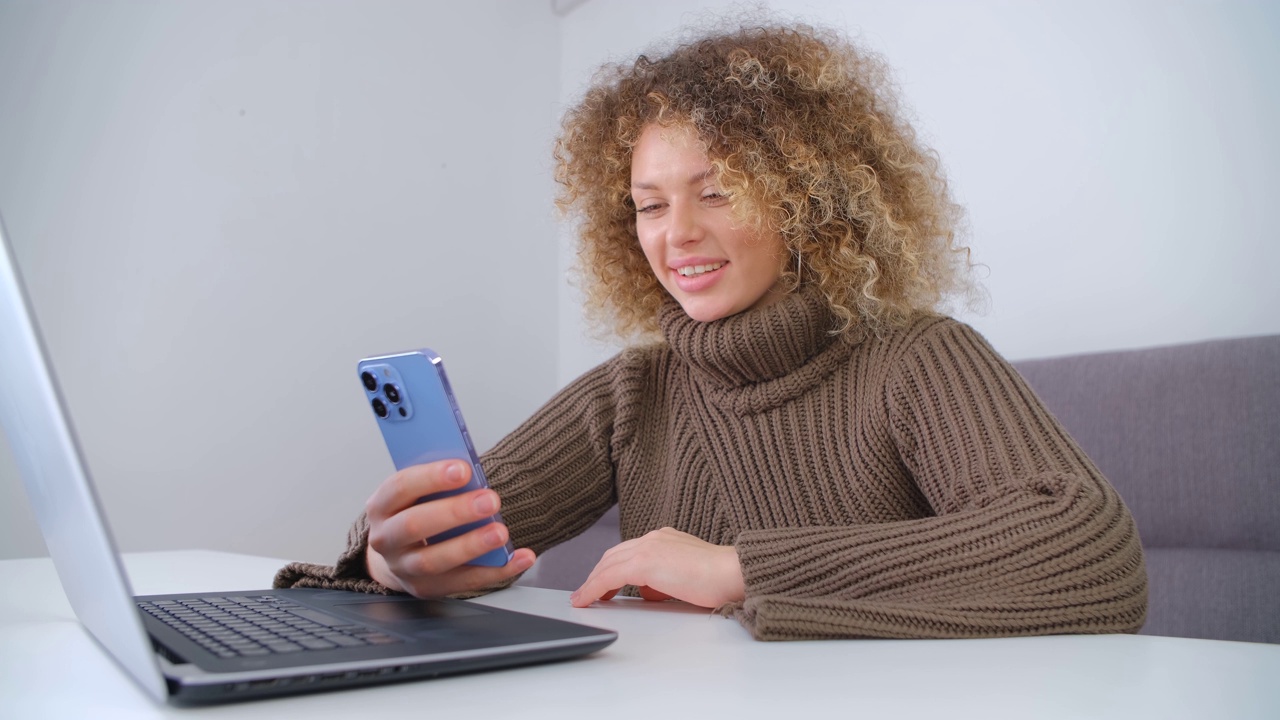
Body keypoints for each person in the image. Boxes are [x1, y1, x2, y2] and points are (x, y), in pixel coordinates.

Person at [275, 22, 1147, 641]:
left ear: (809, 200)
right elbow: (467, 531)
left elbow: (1086, 550)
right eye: (650, 206)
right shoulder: (632, 391)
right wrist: (396, 565)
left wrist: (740, 570)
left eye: (718, 190)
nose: (675, 234)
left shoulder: (918, 356)